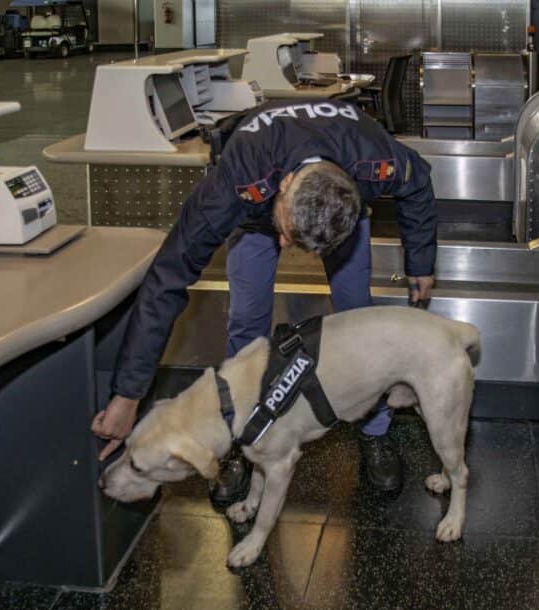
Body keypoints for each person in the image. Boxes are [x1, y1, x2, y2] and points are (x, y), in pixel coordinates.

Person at [93, 98, 437, 504]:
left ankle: (375, 431)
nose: (286, 245)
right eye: (287, 231)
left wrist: (421, 262)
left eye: (295, 242)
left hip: (318, 201)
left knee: (358, 316)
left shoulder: (372, 160)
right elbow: (168, 278)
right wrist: (128, 394)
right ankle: (242, 438)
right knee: (246, 322)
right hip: (254, 213)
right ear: (287, 184)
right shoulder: (235, 180)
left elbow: (419, 183)